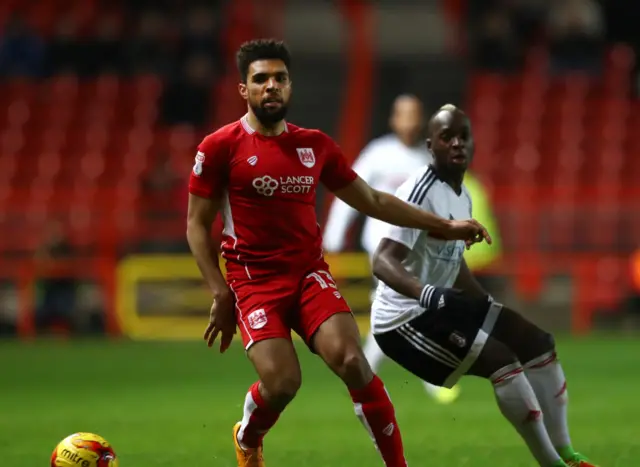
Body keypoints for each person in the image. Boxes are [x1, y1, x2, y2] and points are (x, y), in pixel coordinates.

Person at [186, 39, 491, 467]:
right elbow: (196, 226)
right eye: (260, 80)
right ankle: (248, 434)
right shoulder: (219, 147)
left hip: (308, 274)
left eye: (279, 78)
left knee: (353, 360)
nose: (271, 86)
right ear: (244, 90)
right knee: (283, 383)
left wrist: (445, 225)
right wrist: (219, 292)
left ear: (290, 85)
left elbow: (372, 200)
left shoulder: (315, 146)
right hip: (253, 282)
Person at [370, 104, 599, 467]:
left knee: (537, 342)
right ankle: (552, 465)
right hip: (405, 320)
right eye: (447, 137)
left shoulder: (463, 195)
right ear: (431, 145)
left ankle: (567, 453)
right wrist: (427, 293)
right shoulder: (419, 189)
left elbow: (451, 261)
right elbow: (382, 260)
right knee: (502, 361)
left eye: (464, 136)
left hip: (444, 304)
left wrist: (485, 306)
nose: (457, 143)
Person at [323, 94, 460, 404]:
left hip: (417, 247)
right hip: (382, 246)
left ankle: (365, 373)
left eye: (414, 115)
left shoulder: (429, 159)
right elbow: (348, 191)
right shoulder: (377, 154)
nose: (409, 122)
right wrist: (333, 238)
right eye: (404, 115)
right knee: (402, 306)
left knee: (402, 309)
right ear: (394, 119)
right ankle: (423, 373)